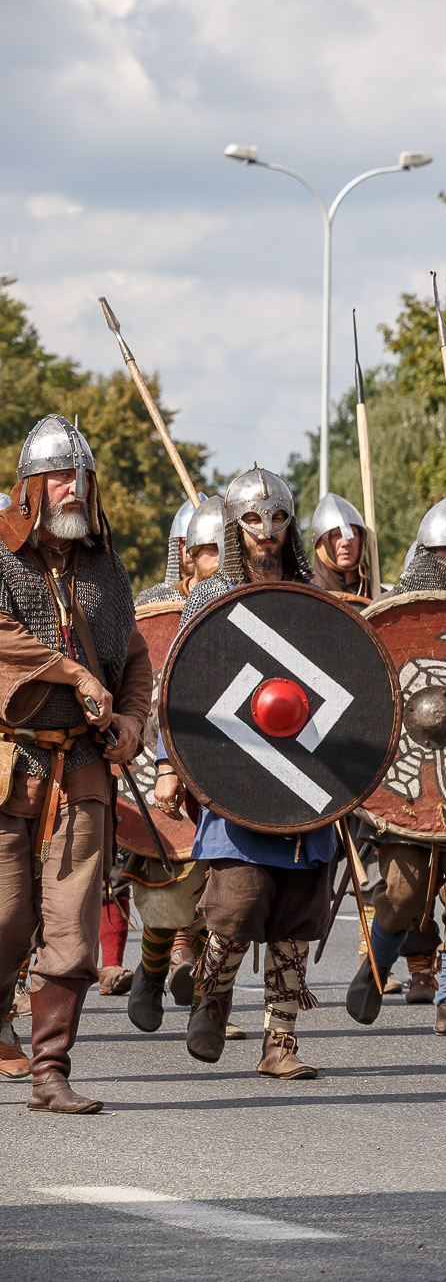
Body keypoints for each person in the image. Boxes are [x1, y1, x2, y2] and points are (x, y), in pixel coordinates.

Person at [153, 467, 334, 1080]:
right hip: (234, 771)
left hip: (305, 774)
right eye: (254, 521)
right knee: (237, 901)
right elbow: (178, 691)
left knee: (296, 914)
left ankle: (279, 1041)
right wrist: (169, 766)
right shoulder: (210, 597)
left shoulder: (314, 602)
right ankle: (213, 993)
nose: (267, 532)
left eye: (279, 519)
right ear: (235, 527)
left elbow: (347, 696)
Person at [0, 417, 151, 1113]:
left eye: (81, 476)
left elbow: (136, 661)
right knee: (6, 916)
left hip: (84, 770)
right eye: (61, 475)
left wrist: (129, 720)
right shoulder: (2, 559)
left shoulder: (106, 569)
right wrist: (73, 676)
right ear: (31, 487)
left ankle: (50, 1069)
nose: (73, 487)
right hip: (10, 767)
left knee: (70, 926)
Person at [345, 499, 446, 1039]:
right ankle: (377, 965)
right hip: (405, 775)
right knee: (403, 893)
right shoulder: (395, 617)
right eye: (440, 552)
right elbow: (366, 699)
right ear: (420, 554)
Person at [121, 496, 228, 1037]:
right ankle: (152, 970)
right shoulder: (153, 608)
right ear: (183, 553)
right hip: (162, 763)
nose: (214, 559)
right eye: (205, 549)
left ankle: (209, 995)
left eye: (221, 548)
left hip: (225, 761)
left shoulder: (243, 598)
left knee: (224, 884)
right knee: (165, 884)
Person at [305, 493, 378, 601]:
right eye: (336, 535)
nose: (346, 542)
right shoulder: (305, 595)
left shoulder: (377, 594)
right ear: (322, 545)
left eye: (353, 534)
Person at [135, 496, 201, 605]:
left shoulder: (230, 594)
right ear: (175, 546)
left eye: (198, 544)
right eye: (185, 543)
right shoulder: (152, 599)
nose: (191, 551)